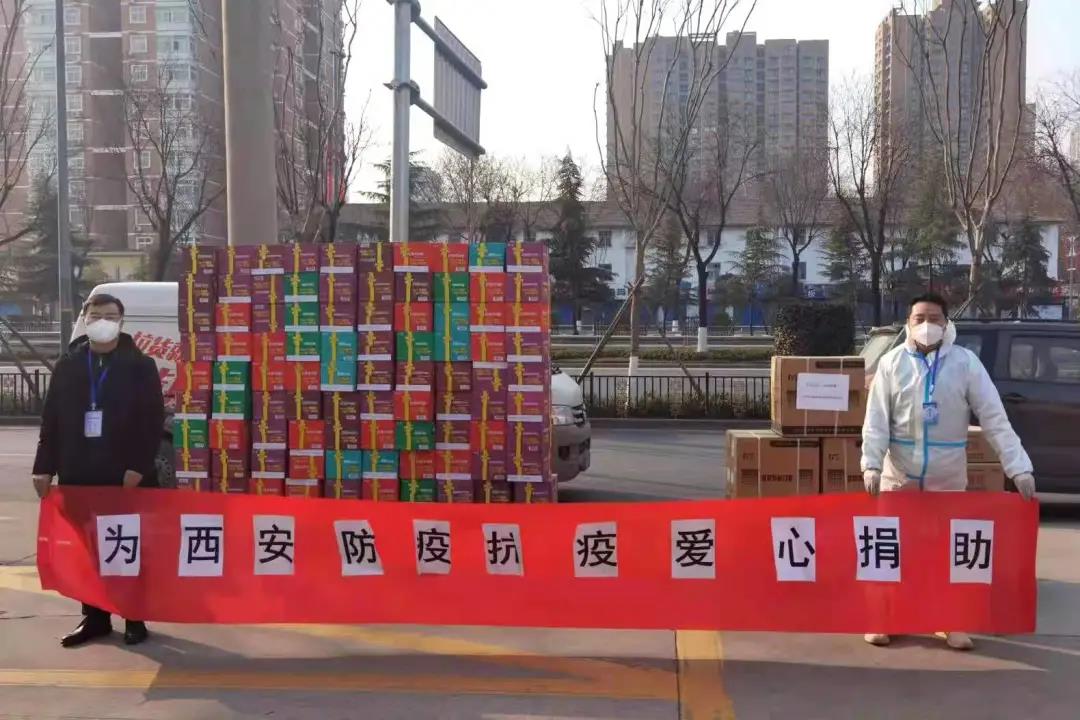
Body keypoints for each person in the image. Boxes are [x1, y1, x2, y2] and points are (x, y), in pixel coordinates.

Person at [860, 292, 1036, 651]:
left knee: (947, 552)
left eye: (935, 318)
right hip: (900, 474)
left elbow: (994, 417)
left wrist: (1018, 467)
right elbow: (876, 420)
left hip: (948, 476)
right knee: (892, 550)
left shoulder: (965, 363)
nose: (927, 325)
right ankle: (885, 617)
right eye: (919, 318)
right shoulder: (892, 363)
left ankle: (950, 620)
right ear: (908, 323)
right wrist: (871, 464)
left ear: (946, 323)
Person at [32, 294, 165, 647]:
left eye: (110, 315)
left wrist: (138, 466)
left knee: (126, 546)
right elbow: (51, 420)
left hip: (125, 476)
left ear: (121, 322)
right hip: (78, 472)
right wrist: (43, 467)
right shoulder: (68, 365)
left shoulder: (140, 365)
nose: (102, 321)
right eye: (95, 315)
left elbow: (152, 421)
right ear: (86, 319)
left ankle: (134, 616)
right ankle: (94, 618)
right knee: (87, 549)